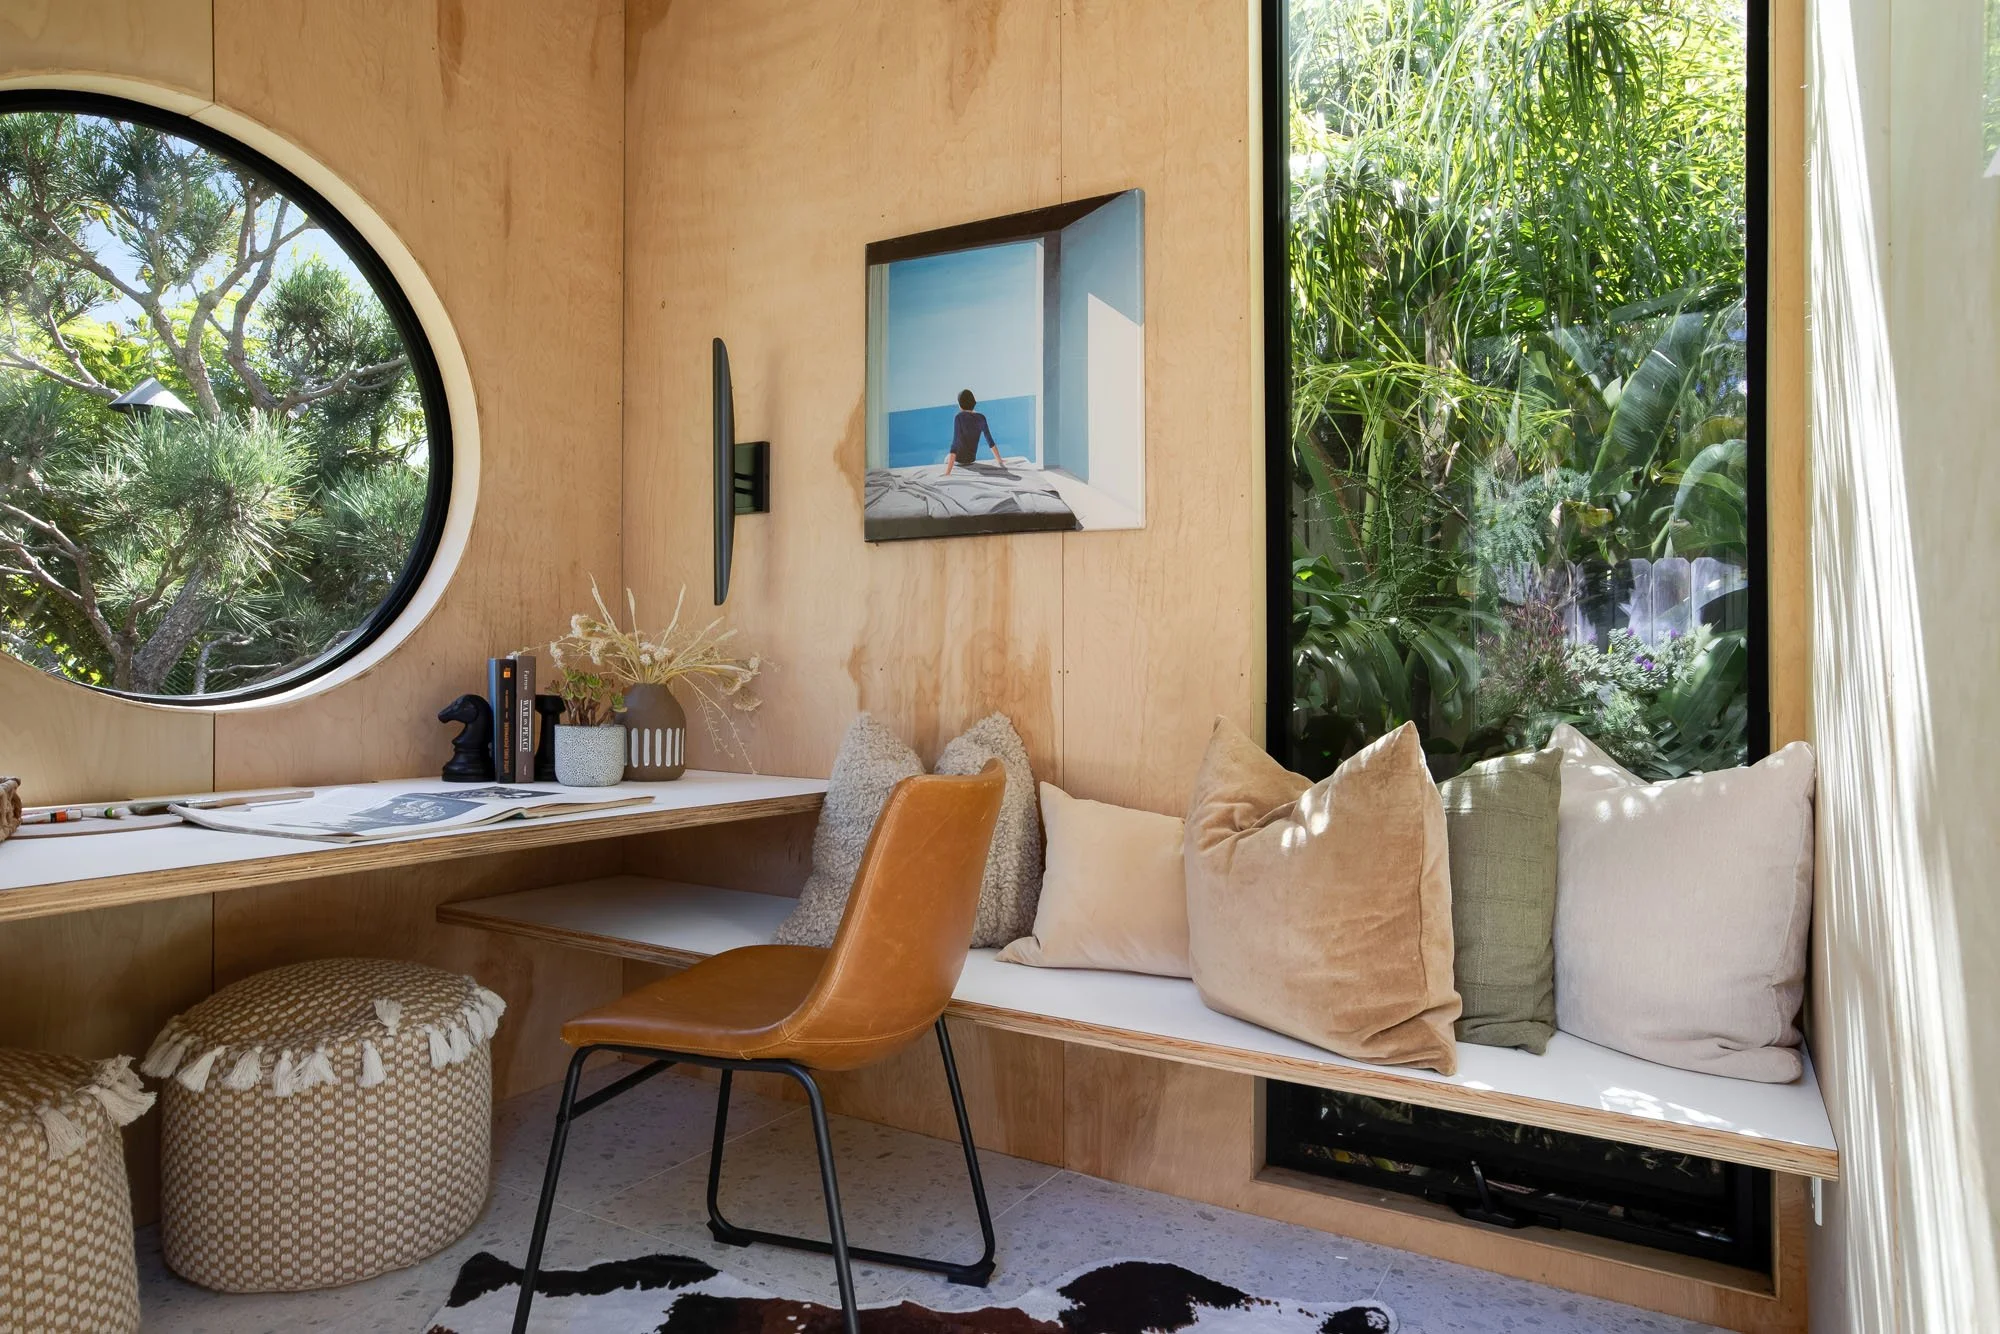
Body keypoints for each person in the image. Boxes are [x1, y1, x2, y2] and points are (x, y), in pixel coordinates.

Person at [943, 389, 1004, 474]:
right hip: (971, 460)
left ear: (960, 404)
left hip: (959, 461)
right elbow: (990, 442)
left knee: (946, 459)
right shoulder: (981, 418)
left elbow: (955, 445)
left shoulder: (959, 417)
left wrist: (947, 473)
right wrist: (1000, 460)